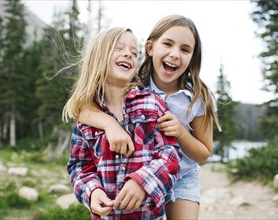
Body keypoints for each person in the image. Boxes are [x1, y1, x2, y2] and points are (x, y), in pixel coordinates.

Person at [79, 15, 221, 219]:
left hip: (183, 175)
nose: (174, 54)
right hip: (144, 170)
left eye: (185, 49)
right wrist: (111, 125)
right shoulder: (133, 85)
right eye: (168, 44)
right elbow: (82, 109)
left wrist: (180, 132)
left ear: (192, 57)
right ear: (150, 47)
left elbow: (204, 153)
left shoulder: (198, 97)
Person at [62, 27, 180, 220]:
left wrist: (143, 183)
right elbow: (79, 166)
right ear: (98, 57)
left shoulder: (151, 105)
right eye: (119, 48)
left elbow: (171, 156)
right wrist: (93, 192)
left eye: (134, 53)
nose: (128, 54)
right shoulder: (86, 118)